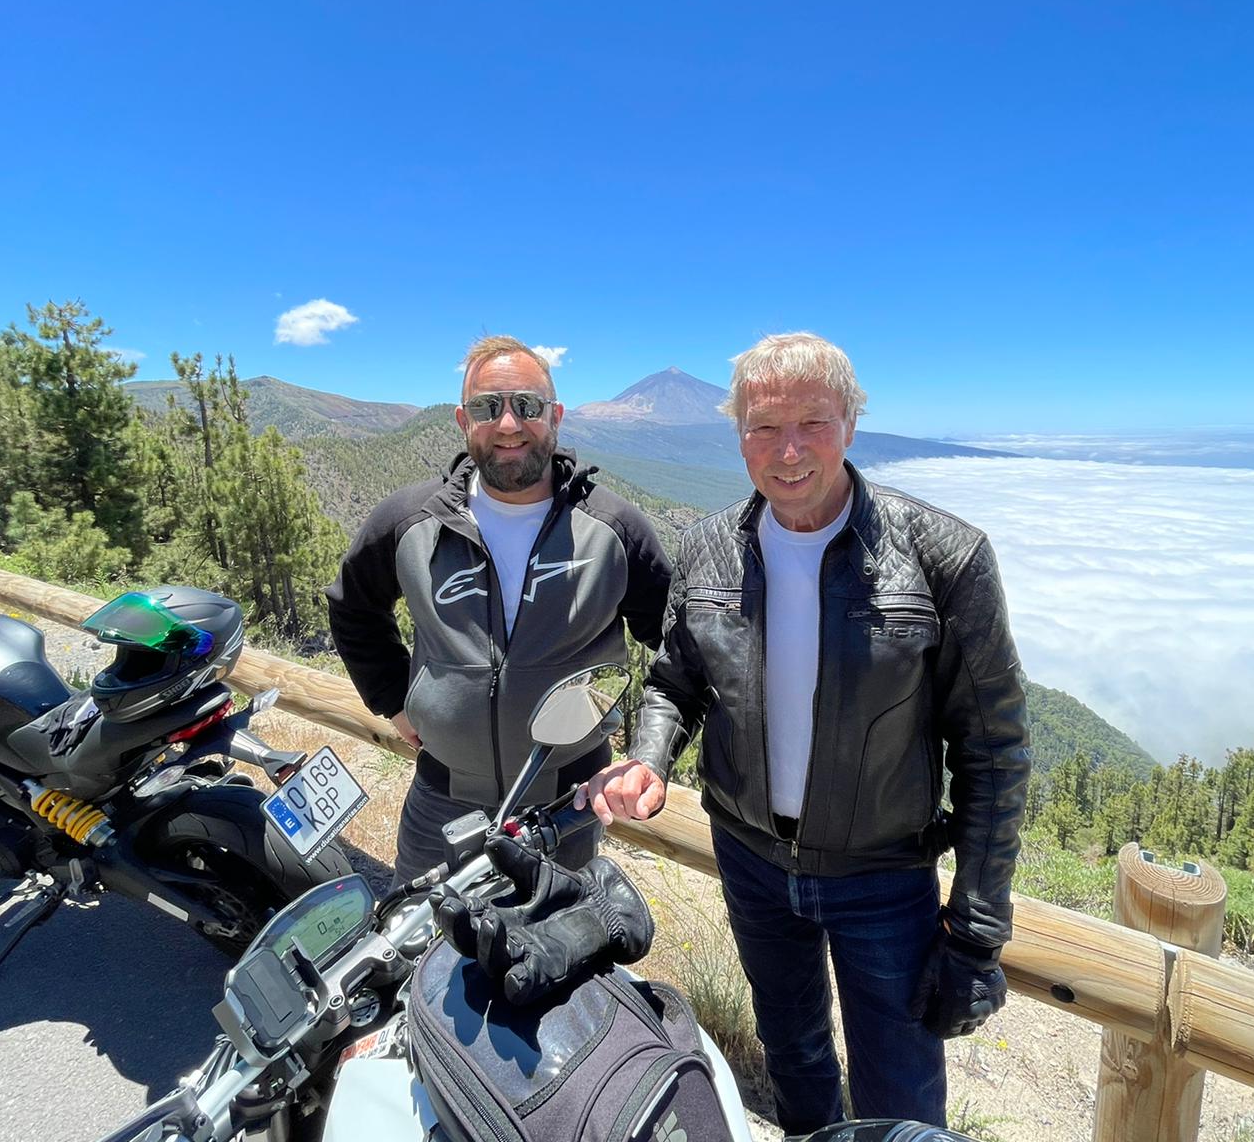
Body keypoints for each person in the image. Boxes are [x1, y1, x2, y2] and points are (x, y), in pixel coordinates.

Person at [578, 332, 1030, 1132]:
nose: (788, 451)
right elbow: (675, 679)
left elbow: (994, 753)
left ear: (851, 424)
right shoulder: (709, 548)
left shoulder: (944, 558)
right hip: (751, 864)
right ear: (738, 434)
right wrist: (650, 757)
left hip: (884, 879)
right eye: (763, 427)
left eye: (812, 424)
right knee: (795, 1059)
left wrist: (977, 930)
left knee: (900, 1096)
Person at [327, 335, 672, 887]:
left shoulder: (614, 528)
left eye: (527, 406)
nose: (509, 425)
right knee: (420, 949)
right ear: (464, 421)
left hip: (566, 807)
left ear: (555, 416)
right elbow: (353, 608)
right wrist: (393, 699)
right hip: (442, 798)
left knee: (550, 955)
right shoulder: (411, 521)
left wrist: (647, 751)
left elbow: (678, 649)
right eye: (489, 408)